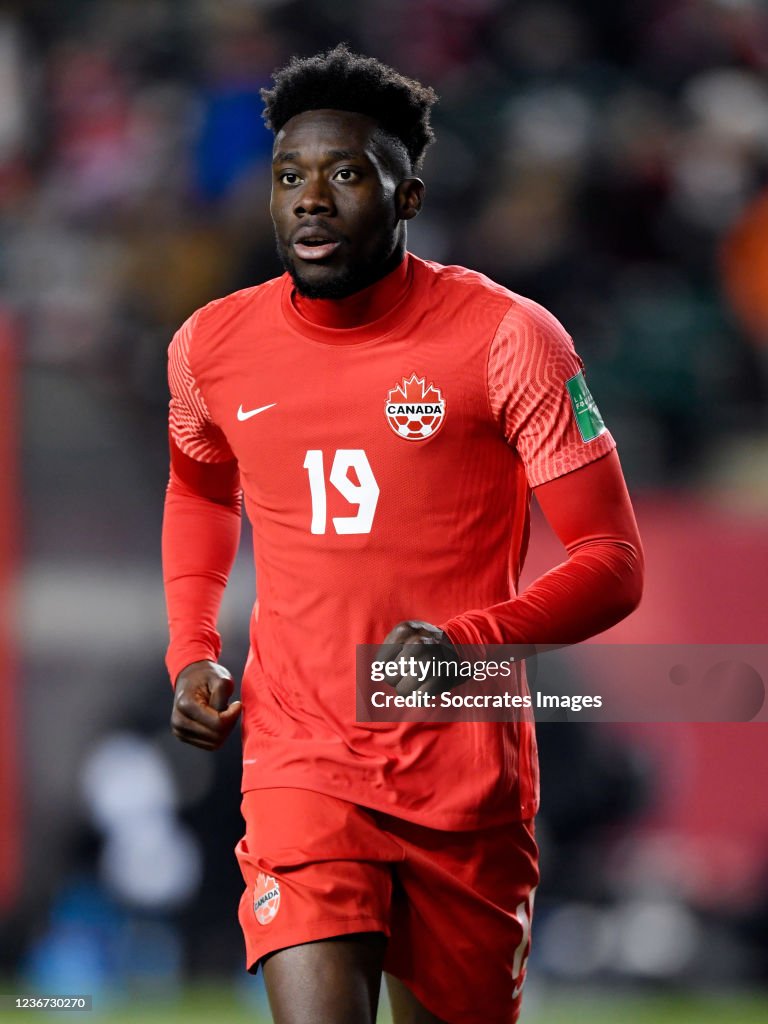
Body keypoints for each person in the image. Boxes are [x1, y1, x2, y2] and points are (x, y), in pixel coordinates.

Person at [162, 44, 644, 1024]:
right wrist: (192, 650)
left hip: (463, 777)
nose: (311, 200)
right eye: (290, 176)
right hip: (301, 758)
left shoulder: (511, 340)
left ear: (410, 195)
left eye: (347, 174)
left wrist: (467, 643)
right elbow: (200, 497)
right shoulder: (211, 346)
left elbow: (613, 562)